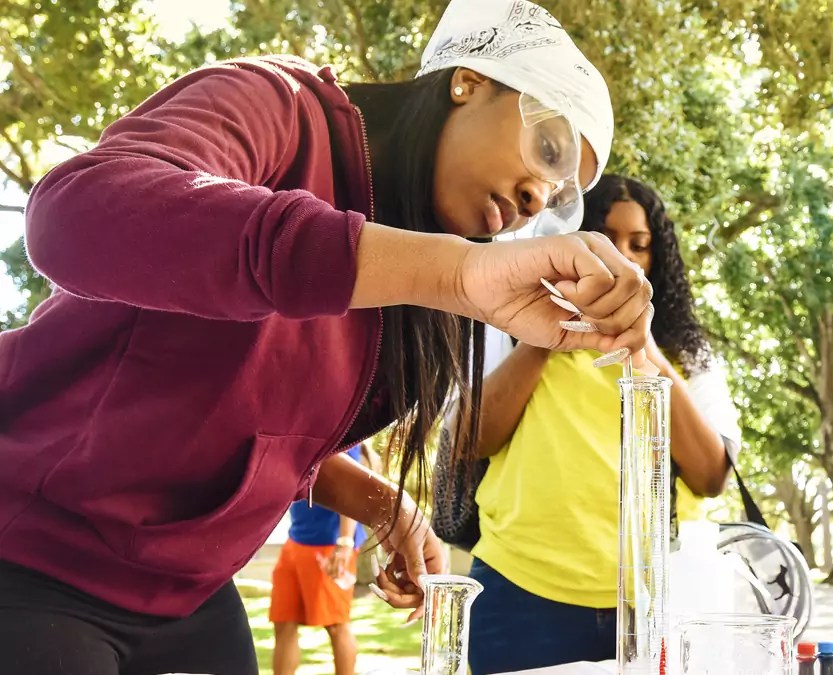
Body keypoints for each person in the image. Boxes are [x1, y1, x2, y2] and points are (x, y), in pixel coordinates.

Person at [0, 1, 654, 673]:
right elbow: (74, 215)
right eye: (549, 150)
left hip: (188, 593)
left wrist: (383, 504)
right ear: (470, 80)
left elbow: (252, 429)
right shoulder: (277, 106)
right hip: (34, 556)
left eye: (562, 192)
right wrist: (455, 274)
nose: (540, 198)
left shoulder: (425, 289)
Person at [465, 175, 742, 674]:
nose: (623, 258)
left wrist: (642, 347)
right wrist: (546, 332)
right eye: (606, 240)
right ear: (574, 244)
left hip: (655, 601)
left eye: (640, 246)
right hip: (518, 595)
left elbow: (711, 475)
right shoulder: (507, 331)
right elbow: (472, 440)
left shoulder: (688, 355)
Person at [270, 445, 369, 675]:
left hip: (330, 544)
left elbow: (352, 487)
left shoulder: (343, 431)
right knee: (283, 622)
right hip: (297, 539)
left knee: (336, 625)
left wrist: (344, 542)